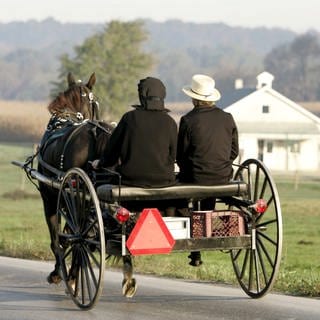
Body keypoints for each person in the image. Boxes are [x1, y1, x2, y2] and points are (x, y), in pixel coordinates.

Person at [177, 74, 239, 266]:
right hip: (222, 176)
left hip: (195, 177)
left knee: (190, 193)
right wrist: (219, 165)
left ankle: (195, 243)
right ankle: (205, 232)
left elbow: (181, 155)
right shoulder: (227, 118)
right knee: (208, 195)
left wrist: (193, 168)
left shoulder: (187, 120)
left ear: (194, 98)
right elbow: (234, 151)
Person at [93, 77, 177, 190]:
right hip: (164, 181)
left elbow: (112, 151)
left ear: (142, 96)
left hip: (131, 181)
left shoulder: (129, 118)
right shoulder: (170, 122)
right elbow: (173, 156)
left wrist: (101, 163)